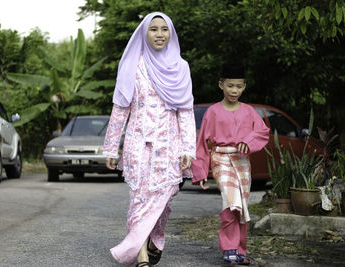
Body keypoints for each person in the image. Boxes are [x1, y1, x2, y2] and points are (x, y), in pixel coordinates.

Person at [103, 12, 196, 267]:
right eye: (153, 29)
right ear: (144, 33)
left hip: (170, 147)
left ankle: (155, 237)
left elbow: (186, 111)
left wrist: (188, 147)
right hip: (138, 145)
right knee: (139, 199)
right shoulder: (134, 65)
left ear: (171, 33)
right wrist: (112, 148)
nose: (159, 34)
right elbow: (120, 108)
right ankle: (140, 252)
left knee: (163, 202)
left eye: (164, 29)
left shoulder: (181, 67)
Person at [191, 63, 269, 265]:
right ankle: (229, 248)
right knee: (231, 201)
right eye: (230, 85)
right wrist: (200, 173)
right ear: (221, 85)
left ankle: (240, 249)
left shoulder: (249, 111)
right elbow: (201, 143)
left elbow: (262, 132)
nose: (234, 90)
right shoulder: (213, 112)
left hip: (242, 161)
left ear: (244, 87)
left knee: (241, 206)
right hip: (221, 159)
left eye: (239, 86)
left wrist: (247, 142)